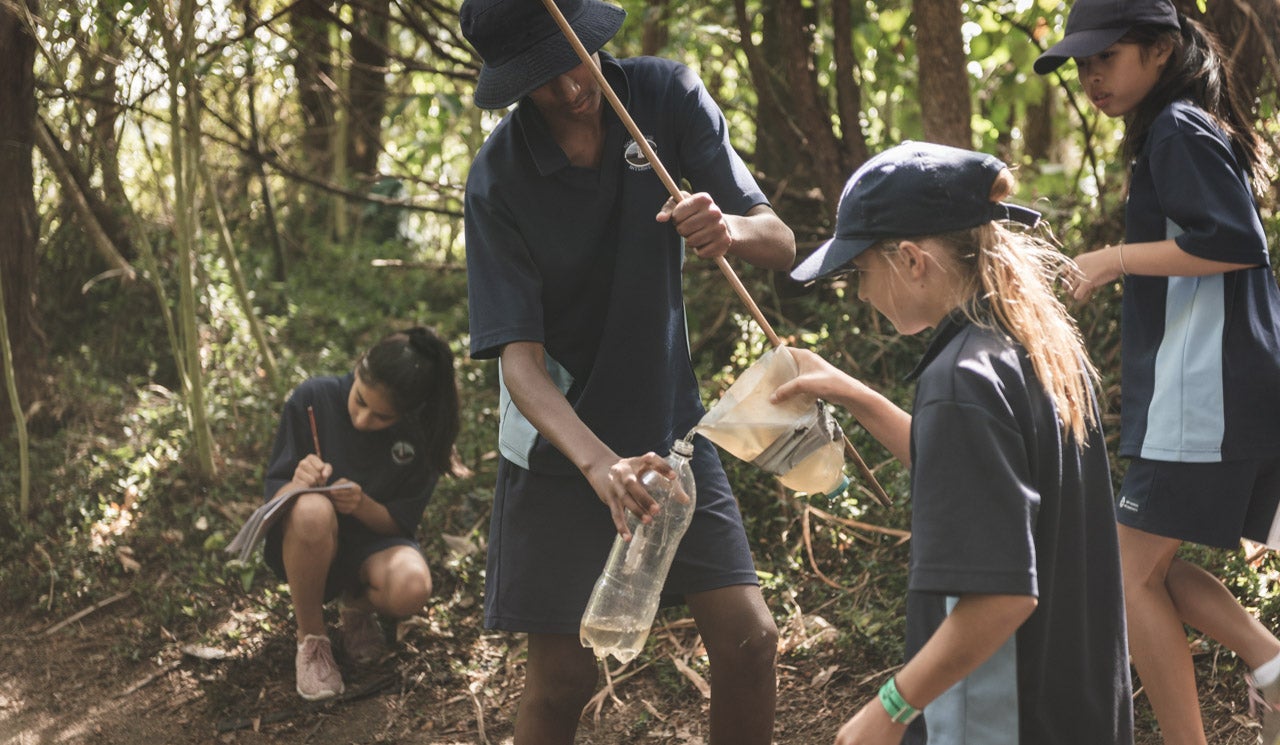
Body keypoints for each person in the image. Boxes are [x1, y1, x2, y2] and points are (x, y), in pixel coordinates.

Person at [458, 0, 795, 741]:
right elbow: (520, 363)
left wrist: (727, 228)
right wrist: (600, 465)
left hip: (671, 433)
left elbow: (778, 237)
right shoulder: (499, 180)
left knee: (749, 639)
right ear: (512, 81)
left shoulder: (663, 99)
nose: (568, 87)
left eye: (571, 58)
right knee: (562, 681)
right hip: (562, 451)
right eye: (540, 77)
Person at [778, 142, 1133, 745]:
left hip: (1003, 718)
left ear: (913, 260)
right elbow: (978, 478)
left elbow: (999, 599)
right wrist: (857, 396)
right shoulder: (1032, 346)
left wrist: (889, 709)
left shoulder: (960, 384)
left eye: (862, 271)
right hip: (1077, 703)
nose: (863, 294)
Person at [1035, 1, 1280, 742]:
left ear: (1162, 50)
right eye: (1081, 64)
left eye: (1105, 58)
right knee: (1137, 561)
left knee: (1125, 571)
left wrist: (1110, 260)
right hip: (1209, 387)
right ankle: (1270, 664)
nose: (1091, 77)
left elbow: (1235, 242)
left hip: (1205, 391)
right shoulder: (1182, 130)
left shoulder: (1177, 130)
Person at [262, 326, 462, 700]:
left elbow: (400, 524)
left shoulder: (423, 432)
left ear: (409, 412)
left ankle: (356, 607)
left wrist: (363, 505)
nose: (361, 420)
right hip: (304, 543)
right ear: (357, 369)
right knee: (311, 510)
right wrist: (299, 482)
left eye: (381, 417)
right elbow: (272, 506)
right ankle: (312, 640)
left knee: (412, 586)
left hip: (375, 548)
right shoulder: (312, 399)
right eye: (359, 400)